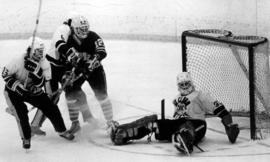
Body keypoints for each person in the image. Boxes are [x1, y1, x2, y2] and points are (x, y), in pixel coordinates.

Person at [110, 72, 240, 155]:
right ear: (178, 85)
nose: (184, 86)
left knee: (186, 126)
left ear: (191, 83)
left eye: (186, 83)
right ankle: (125, 133)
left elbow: (221, 110)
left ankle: (185, 139)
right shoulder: (176, 98)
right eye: (181, 84)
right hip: (177, 124)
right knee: (153, 122)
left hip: (197, 124)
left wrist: (229, 125)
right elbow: (176, 118)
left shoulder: (201, 95)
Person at [31, 14, 118, 135]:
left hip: (95, 71)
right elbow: (66, 60)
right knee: (71, 91)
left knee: (102, 95)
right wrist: (68, 74)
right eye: (81, 29)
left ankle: (110, 122)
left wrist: (92, 63)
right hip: (79, 70)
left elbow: (102, 52)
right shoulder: (69, 40)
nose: (85, 31)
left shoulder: (93, 36)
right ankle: (75, 122)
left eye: (86, 28)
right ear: (74, 29)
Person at [2, 36, 75, 150]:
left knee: (50, 106)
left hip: (31, 89)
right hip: (13, 92)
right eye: (37, 51)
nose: (40, 55)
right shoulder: (17, 60)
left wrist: (37, 72)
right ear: (30, 50)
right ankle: (26, 138)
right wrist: (18, 86)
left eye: (42, 51)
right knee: (22, 113)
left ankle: (62, 130)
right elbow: (5, 74)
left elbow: (44, 84)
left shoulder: (44, 63)